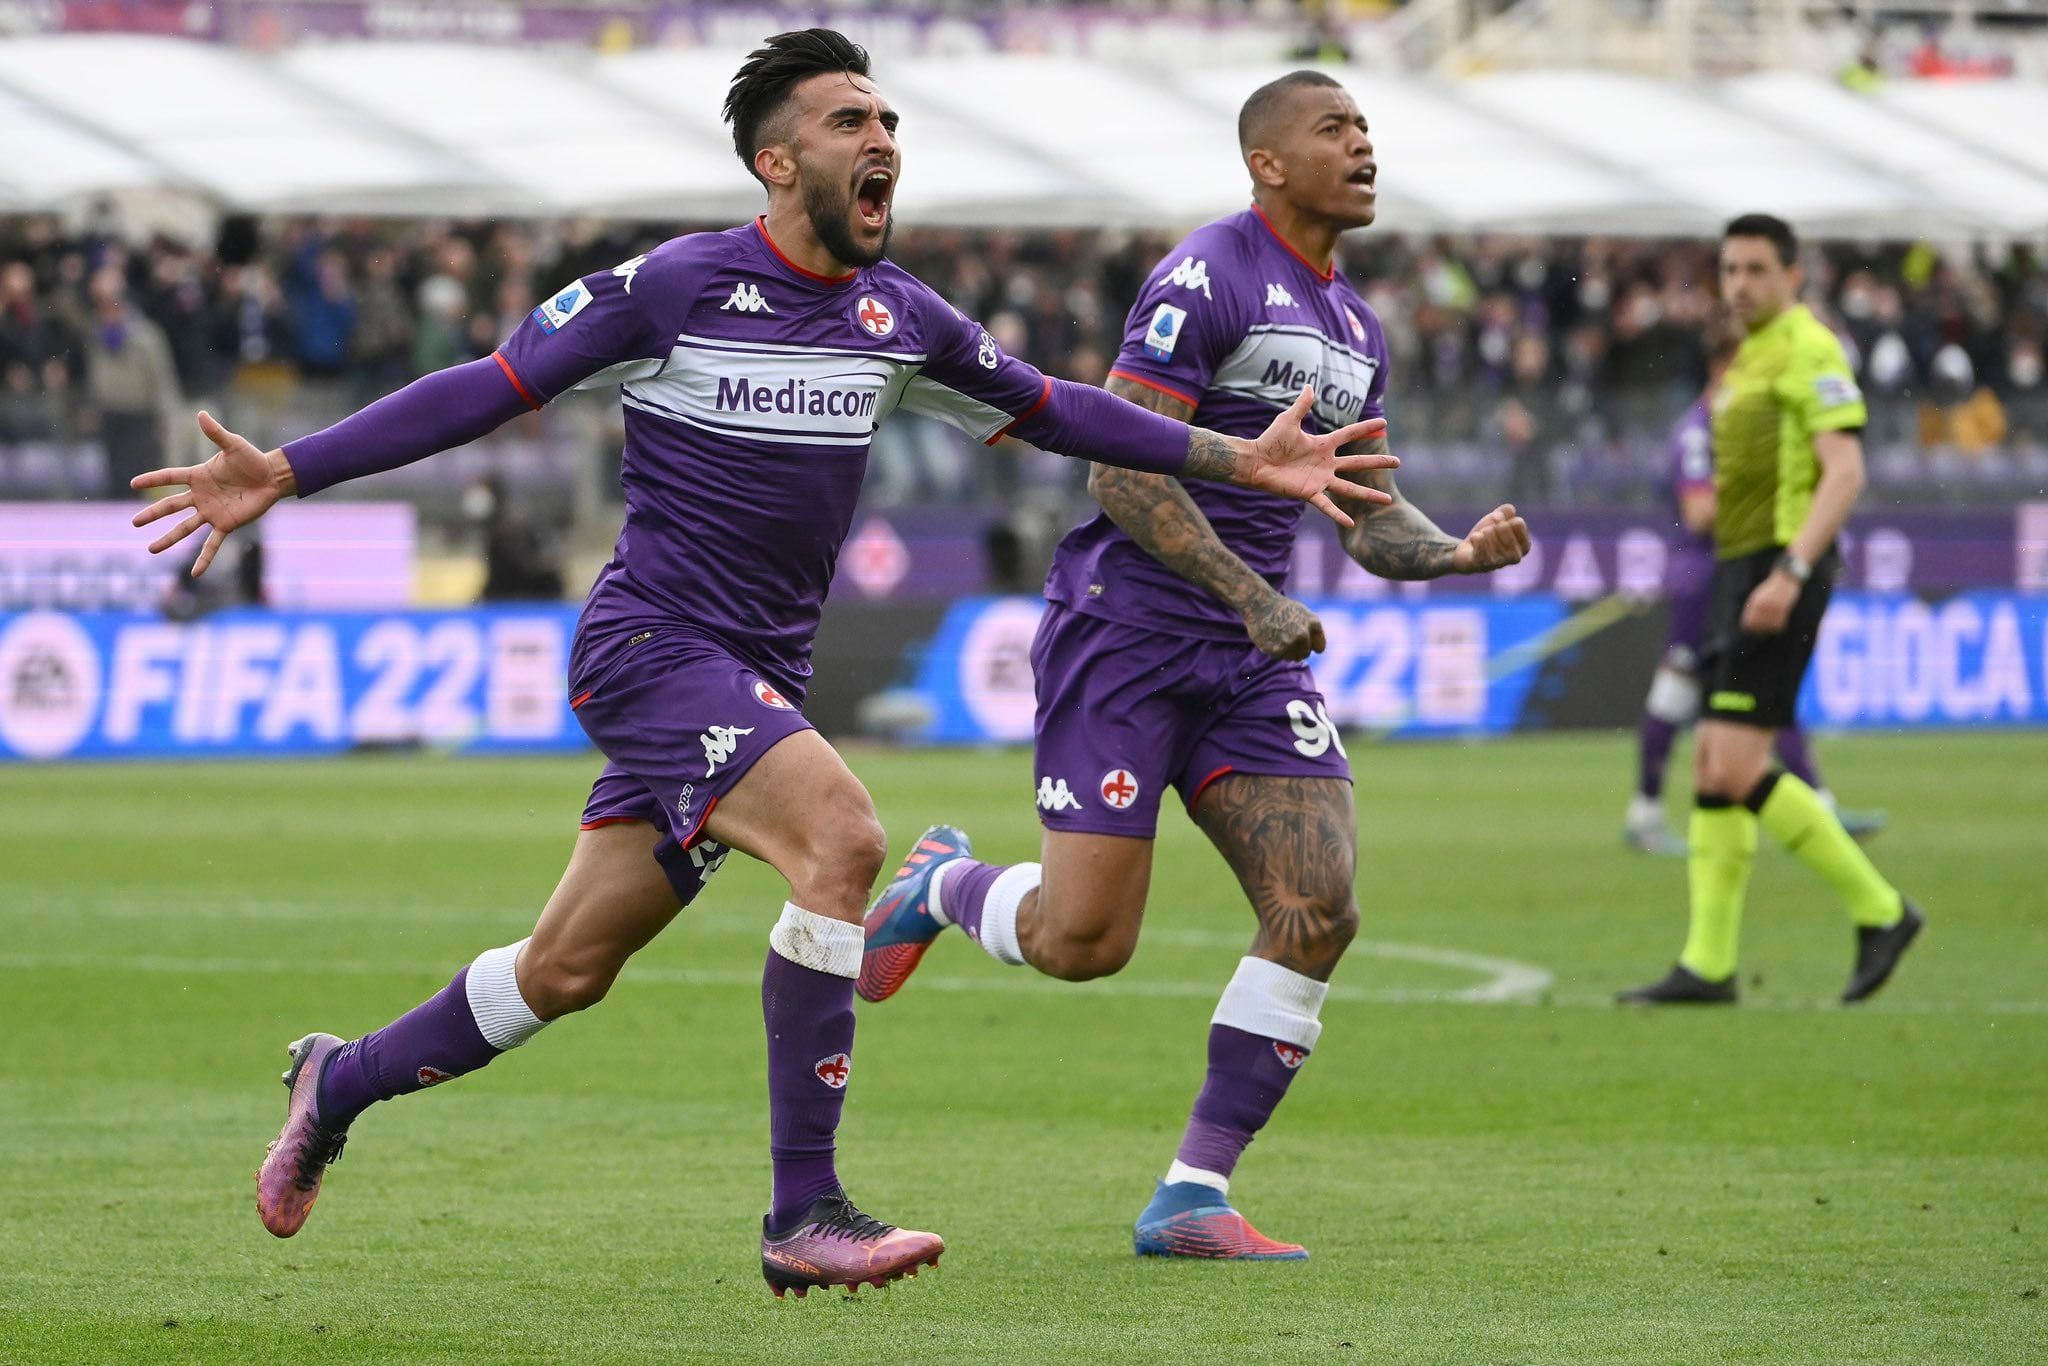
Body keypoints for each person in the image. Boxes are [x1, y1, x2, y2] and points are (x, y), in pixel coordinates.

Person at [128, 31, 1393, 1297]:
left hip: (754, 682)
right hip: (649, 648)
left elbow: (1060, 409)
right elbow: (488, 387)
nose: (881, 138)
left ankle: (336, 1081)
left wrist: (1237, 457)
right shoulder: (674, 288)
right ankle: (806, 1212)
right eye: (849, 122)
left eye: (887, 121)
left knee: (564, 968)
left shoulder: (901, 318)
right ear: (776, 163)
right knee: (841, 838)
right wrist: (287, 469)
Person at [856, 70, 1529, 1259]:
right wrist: (1251, 593)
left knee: (1317, 907)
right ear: (1267, 162)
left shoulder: (1354, 329)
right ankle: (944, 886)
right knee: (1084, 943)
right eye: (1334, 129)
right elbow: (1119, 468)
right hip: (1126, 635)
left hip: (1249, 661)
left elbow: (1363, 511)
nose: (1363, 146)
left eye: (1366, 129)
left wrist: (1455, 554)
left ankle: (1191, 1193)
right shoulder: (1207, 276)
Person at [1618, 214, 1922, 1008]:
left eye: (1757, 269)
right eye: (1730, 269)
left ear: (1792, 276)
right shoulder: (1749, 356)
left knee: (1737, 764)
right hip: (1737, 570)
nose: (1741, 284)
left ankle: (1881, 910)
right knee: (1714, 767)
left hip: (1781, 566)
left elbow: (1844, 472)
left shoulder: (1811, 348)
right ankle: (1708, 965)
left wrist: (1789, 572)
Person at [1625, 327, 1886, 856]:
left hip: (1731, 572)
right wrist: (1759, 491)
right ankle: (1646, 814)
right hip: (1705, 578)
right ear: (1719, 367)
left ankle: (1817, 804)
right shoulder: (1699, 430)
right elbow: (1699, 512)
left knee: (1756, 685)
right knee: (1684, 690)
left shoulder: (1736, 424)